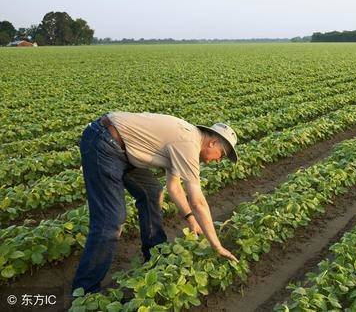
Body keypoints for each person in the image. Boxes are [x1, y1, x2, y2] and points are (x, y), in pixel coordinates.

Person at [71, 112, 239, 294]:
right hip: (104, 142)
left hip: (123, 148)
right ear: (213, 143)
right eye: (221, 155)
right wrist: (216, 245)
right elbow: (198, 201)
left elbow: (173, 187)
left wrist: (191, 220)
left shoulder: (188, 141)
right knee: (111, 220)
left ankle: (155, 256)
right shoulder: (189, 143)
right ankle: (85, 290)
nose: (219, 160)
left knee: (152, 191)